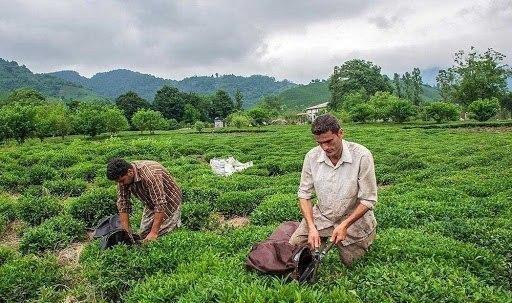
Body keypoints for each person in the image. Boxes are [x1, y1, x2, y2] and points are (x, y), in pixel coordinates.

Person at [289, 114, 377, 266]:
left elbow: (368, 199)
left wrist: (345, 225)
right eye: (320, 143)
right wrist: (311, 227)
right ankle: (316, 234)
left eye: (329, 141)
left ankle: (362, 239)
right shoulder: (311, 156)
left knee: (351, 263)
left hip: (353, 219)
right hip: (323, 216)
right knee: (294, 249)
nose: (325, 147)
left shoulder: (362, 155)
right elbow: (304, 195)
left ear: (340, 133)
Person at [106, 158, 182, 242]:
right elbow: (123, 203)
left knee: (161, 235)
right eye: (118, 182)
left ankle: (175, 228)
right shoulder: (123, 179)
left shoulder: (151, 175)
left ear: (130, 172)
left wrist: (154, 232)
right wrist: (126, 233)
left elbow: (160, 203)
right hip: (150, 201)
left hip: (169, 199)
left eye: (122, 181)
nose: (121, 184)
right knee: (143, 235)